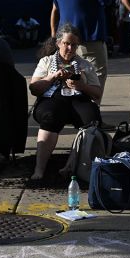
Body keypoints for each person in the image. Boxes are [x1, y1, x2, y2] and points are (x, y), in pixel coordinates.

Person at [28, 23, 103, 182]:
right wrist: (53, 76)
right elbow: (34, 88)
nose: (70, 48)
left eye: (74, 45)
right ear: (58, 43)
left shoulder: (84, 64)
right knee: (49, 116)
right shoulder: (46, 62)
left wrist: (81, 85)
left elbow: (97, 93)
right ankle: (39, 169)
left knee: (92, 119)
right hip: (52, 98)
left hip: (77, 98)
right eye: (66, 43)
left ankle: (71, 166)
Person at [51, 0, 113, 94]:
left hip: (64, 41)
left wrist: (54, 35)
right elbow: (107, 0)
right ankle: (90, 112)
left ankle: (73, 112)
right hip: (89, 38)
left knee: (68, 77)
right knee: (95, 76)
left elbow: (55, 9)